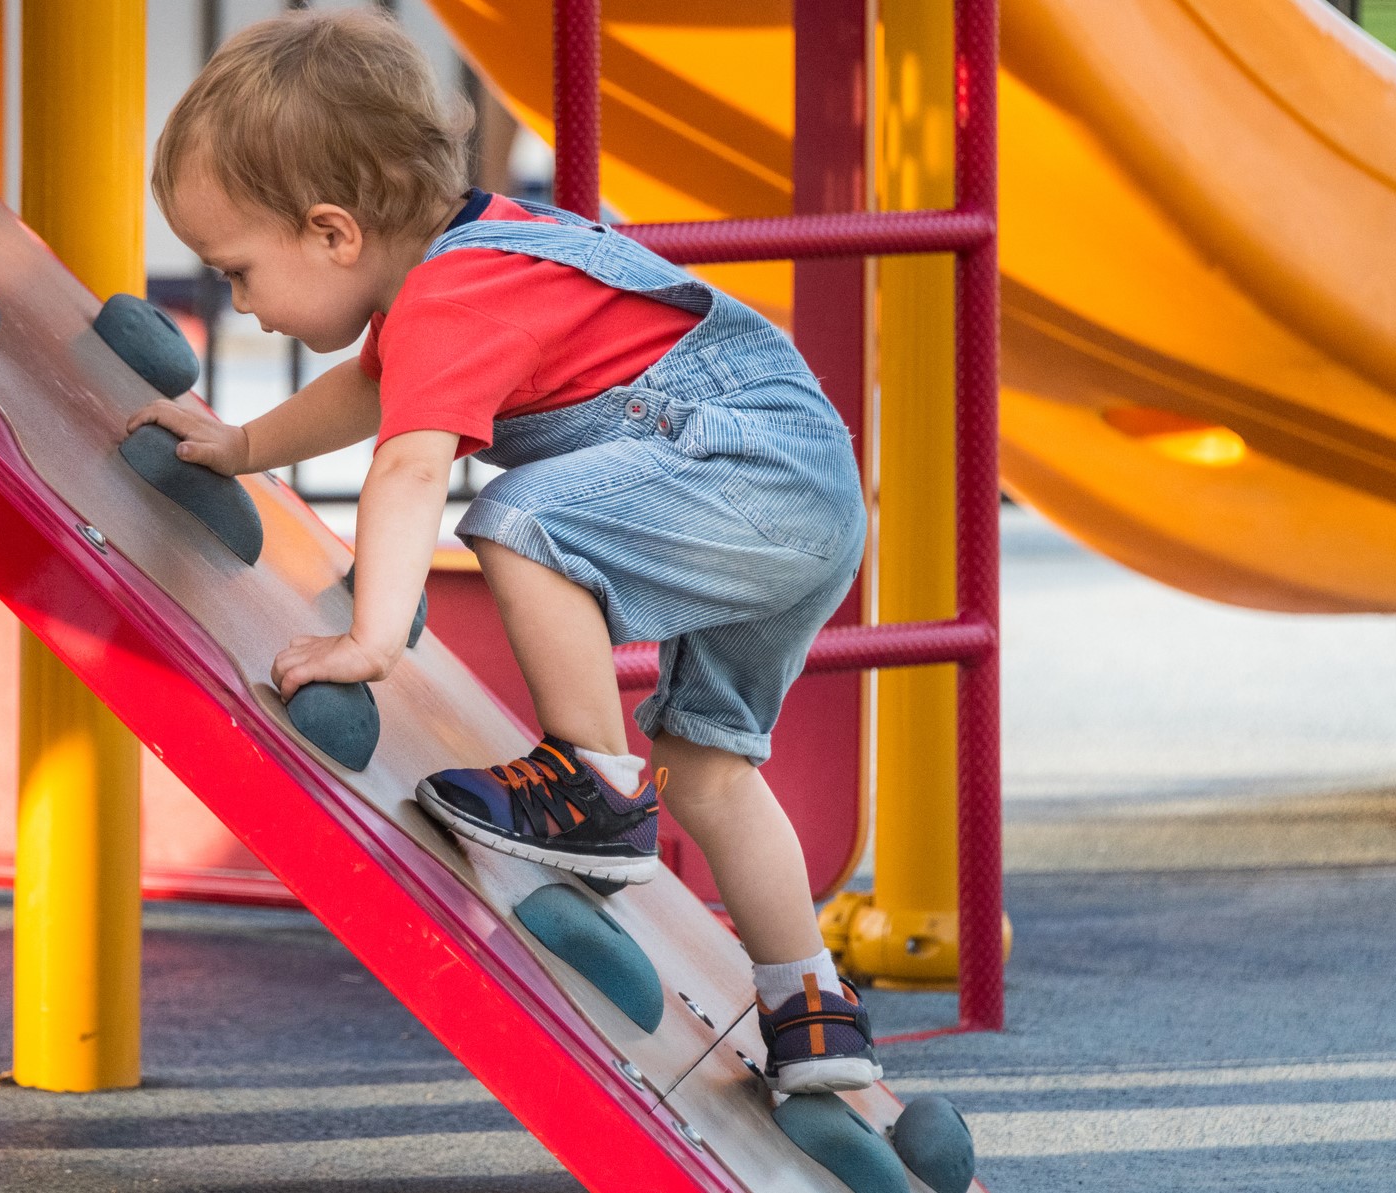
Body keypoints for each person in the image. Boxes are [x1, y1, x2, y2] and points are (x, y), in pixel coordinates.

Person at [128, 9, 876, 1094]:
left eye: (237, 270)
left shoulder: (454, 291)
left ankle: (593, 782)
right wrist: (245, 445)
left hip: (741, 464)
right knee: (713, 768)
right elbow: (372, 391)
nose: (239, 300)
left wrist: (370, 639)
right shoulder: (472, 259)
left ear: (334, 232)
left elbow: (408, 464)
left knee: (523, 517)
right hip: (804, 492)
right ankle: (811, 1006)